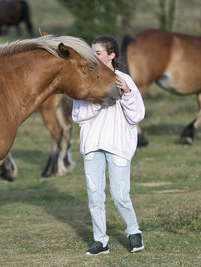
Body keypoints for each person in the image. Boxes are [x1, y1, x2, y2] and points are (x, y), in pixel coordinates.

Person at [72, 35, 145, 255]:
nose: (93, 57)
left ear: (112, 55)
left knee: (120, 195)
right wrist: (101, 101)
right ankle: (100, 241)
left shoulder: (124, 80)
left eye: (98, 53)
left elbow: (137, 116)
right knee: (95, 196)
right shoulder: (85, 80)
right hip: (93, 145)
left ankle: (134, 233)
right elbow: (78, 115)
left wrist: (127, 94)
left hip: (119, 146)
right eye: (91, 53)